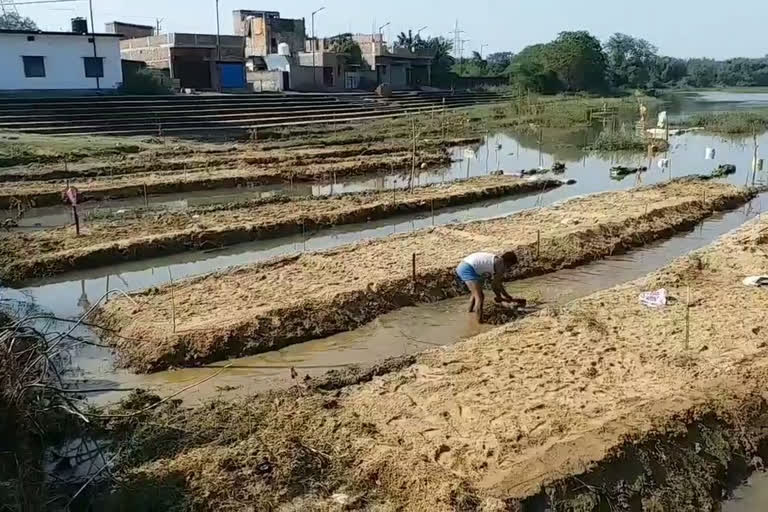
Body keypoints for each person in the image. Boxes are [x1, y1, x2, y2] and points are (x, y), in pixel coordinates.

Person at [455, 251, 524, 323]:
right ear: (508, 262)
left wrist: (505, 296)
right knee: (480, 296)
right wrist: (501, 296)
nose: (509, 268)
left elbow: (498, 284)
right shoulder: (501, 266)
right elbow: (494, 285)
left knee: (475, 294)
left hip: (466, 265)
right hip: (467, 268)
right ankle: (480, 322)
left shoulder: (497, 260)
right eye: (510, 265)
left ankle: (470, 313)